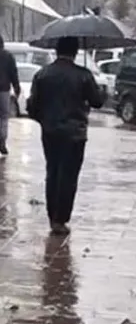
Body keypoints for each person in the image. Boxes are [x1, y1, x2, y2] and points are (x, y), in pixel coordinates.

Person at [25, 36, 104, 236]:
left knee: (52, 171)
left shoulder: (42, 74)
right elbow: (97, 101)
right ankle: (61, 219)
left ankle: (53, 217)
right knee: (68, 175)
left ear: (56, 50)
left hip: (50, 132)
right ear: (76, 52)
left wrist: (45, 120)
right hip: (75, 133)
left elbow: (32, 107)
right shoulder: (83, 75)